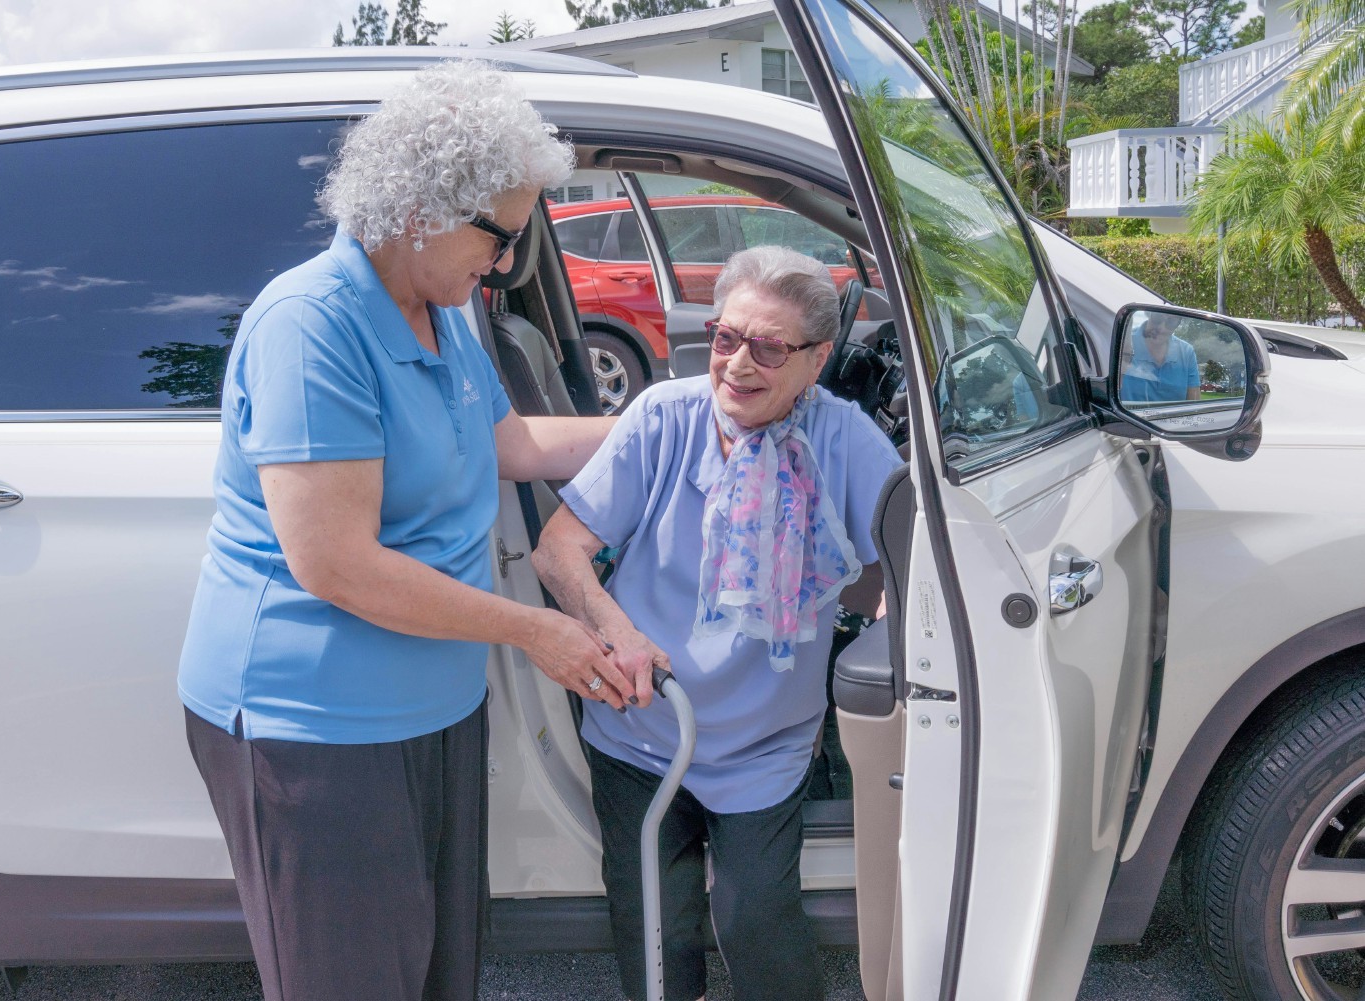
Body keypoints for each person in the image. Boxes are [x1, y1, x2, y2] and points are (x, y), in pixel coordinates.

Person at [176, 61, 633, 1001]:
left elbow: (506, 442)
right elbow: (337, 563)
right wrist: (537, 628)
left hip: (434, 706)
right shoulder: (313, 324)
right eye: (500, 235)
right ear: (422, 206)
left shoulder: (441, 307)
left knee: (434, 972)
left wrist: (667, 421)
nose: (509, 262)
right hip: (320, 729)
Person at [532, 245, 901, 1001]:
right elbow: (558, 548)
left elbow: (910, 567)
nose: (736, 364)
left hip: (765, 742)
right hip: (642, 724)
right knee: (656, 940)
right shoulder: (664, 417)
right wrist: (615, 629)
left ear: (818, 358)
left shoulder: (843, 438)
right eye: (726, 338)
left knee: (759, 925)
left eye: (769, 347)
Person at [1120, 311, 1201, 402]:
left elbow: (1194, 405)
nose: (1161, 329)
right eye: (1157, 318)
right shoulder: (1125, 342)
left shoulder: (1187, 352)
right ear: (1149, 313)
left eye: (1171, 322)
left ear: (1178, 324)